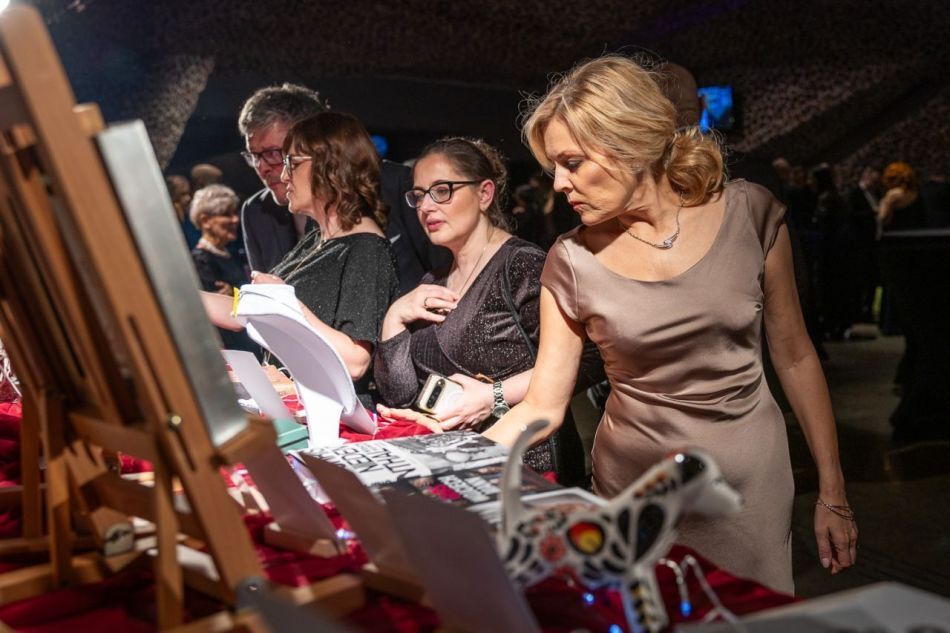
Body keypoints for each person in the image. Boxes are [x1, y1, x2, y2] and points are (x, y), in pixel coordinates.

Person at [483, 55, 856, 593]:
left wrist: (832, 490)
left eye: (572, 162)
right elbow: (542, 406)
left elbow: (795, 356)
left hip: (749, 490)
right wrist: (434, 467)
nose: (559, 184)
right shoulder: (570, 260)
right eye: (554, 168)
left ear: (630, 144)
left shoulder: (751, 215)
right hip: (634, 495)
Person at [372, 138, 555, 471]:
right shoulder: (434, 279)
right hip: (449, 459)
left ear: (484, 194)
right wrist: (394, 317)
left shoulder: (521, 265)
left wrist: (493, 396)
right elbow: (399, 394)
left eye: (442, 191)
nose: (426, 207)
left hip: (518, 462)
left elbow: (578, 365)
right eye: (419, 195)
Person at [204, 111, 398, 406]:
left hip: (333, 419)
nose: (283, 176)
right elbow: (245, 311)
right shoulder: (318, 239)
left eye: (292, 164)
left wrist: (289, 304)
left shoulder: (367, 249)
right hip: (294, 407)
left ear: (330, 165)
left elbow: (355, 361)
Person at [238, 83, 448, 290]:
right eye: (253, 156)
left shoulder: (397, 183)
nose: (262, 167)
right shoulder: (256, 211)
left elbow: (443, 269)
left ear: (320, 141)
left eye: (275, 154)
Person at [189, 184, 260, 357]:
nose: (235, 219)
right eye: (226, 214)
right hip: (235, 350)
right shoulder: (201, 261)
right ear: (205, 221)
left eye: (235, 213)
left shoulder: (231, 253)